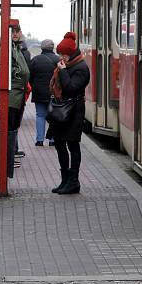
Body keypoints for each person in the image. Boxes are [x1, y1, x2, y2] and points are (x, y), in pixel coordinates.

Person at [47, 32, 90, 195]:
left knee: (72, 145)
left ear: (71, 53)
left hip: (73, 112)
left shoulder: (81, 68)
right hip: (61, 111)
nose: (62, 57)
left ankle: (74, 182)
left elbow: (72, 88)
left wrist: (63, 72)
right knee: (59, 143)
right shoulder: (66, 65)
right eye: (60, 54)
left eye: (64, 54)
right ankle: (64, 180)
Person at [0, 27, 31, 158]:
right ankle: (8, 155)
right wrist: (15, 72)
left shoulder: (16, 48)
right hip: (11, 93)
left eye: (17, 32)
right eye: (12, 32)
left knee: (15, 124)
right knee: (10, 124)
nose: (15, 34)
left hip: (19, 94)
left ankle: (12, 151)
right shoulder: (5, 48)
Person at [29, 39, 59, 147]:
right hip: (54, 94)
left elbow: (29, 77)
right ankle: (52, 140)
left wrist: (34, 86)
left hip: (39, 93)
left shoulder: (35, 60)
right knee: (54, 116)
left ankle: (39, 140)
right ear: (52, 48)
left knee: (40, 115)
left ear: (42, 48)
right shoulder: (58, 60)